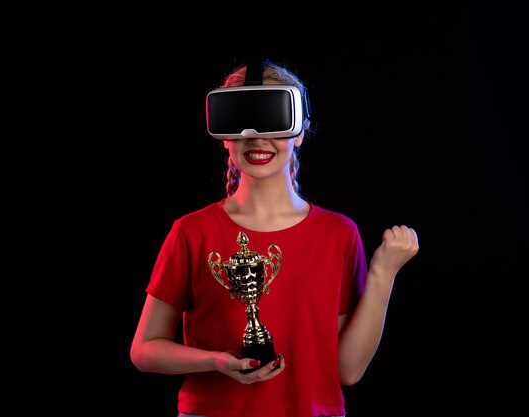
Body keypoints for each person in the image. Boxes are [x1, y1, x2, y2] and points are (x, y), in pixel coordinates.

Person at [130, 59, 419, 417]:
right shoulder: (191, 232)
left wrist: (383, 275)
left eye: (273, 120)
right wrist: (217, 362)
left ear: (299, 131)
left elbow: (347, 370)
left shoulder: (338, 235)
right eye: (241, 122)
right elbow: (144, 350)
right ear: (224, 136)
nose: (256, 137)